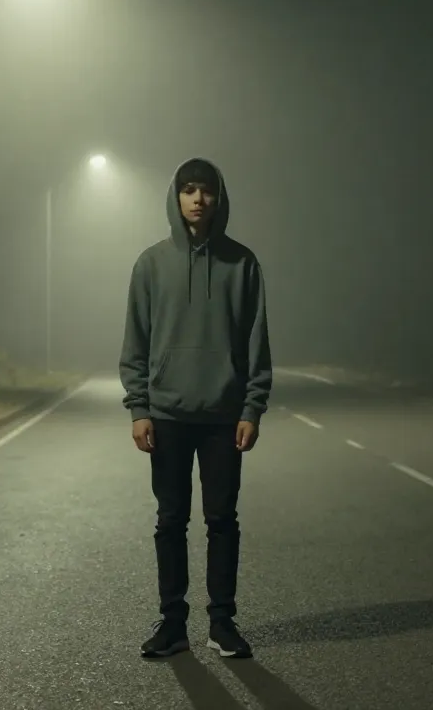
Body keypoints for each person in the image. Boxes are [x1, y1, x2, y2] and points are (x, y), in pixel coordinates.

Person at [119, 156, 273, 659]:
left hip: (224, 416)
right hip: (167, 414)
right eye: (188, 189)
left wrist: (251, 408)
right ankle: (173, 624)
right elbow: (136, 342)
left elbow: (256, 340)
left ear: (218, 198)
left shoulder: (243, 264)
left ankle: (222, 624)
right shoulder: (151, 264)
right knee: (170, 521)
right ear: (176, 197)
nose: (198, 199)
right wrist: (139, 408)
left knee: (222, 520)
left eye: (206, 190)